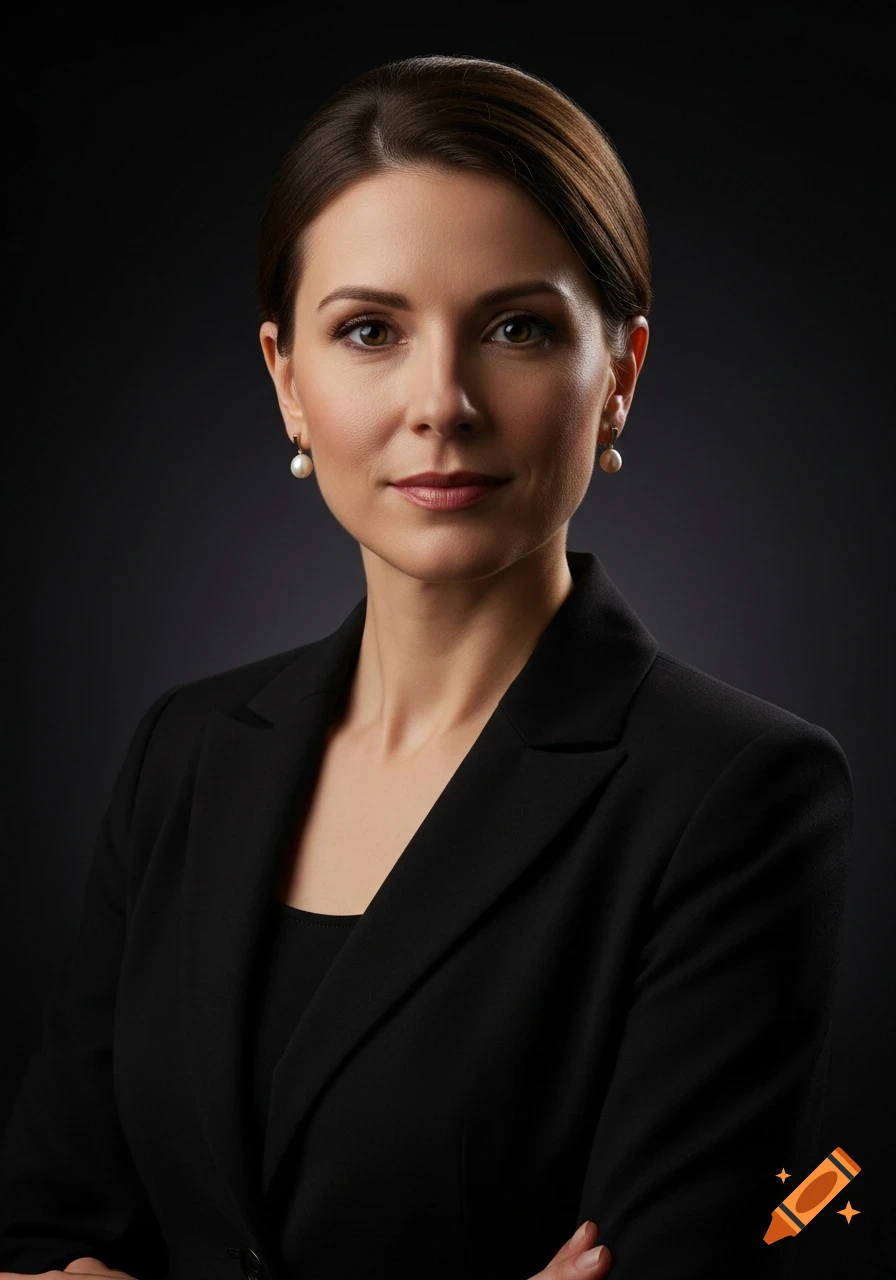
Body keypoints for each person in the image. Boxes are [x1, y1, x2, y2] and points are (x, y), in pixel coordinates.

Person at [0, 54, 852, 1280]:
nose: (440, 400)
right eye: (368, 330)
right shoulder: (182, 752)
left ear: (617, 376)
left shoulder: (739, 793)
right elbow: (43, 1230)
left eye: (515, 327)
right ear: (286, 380)